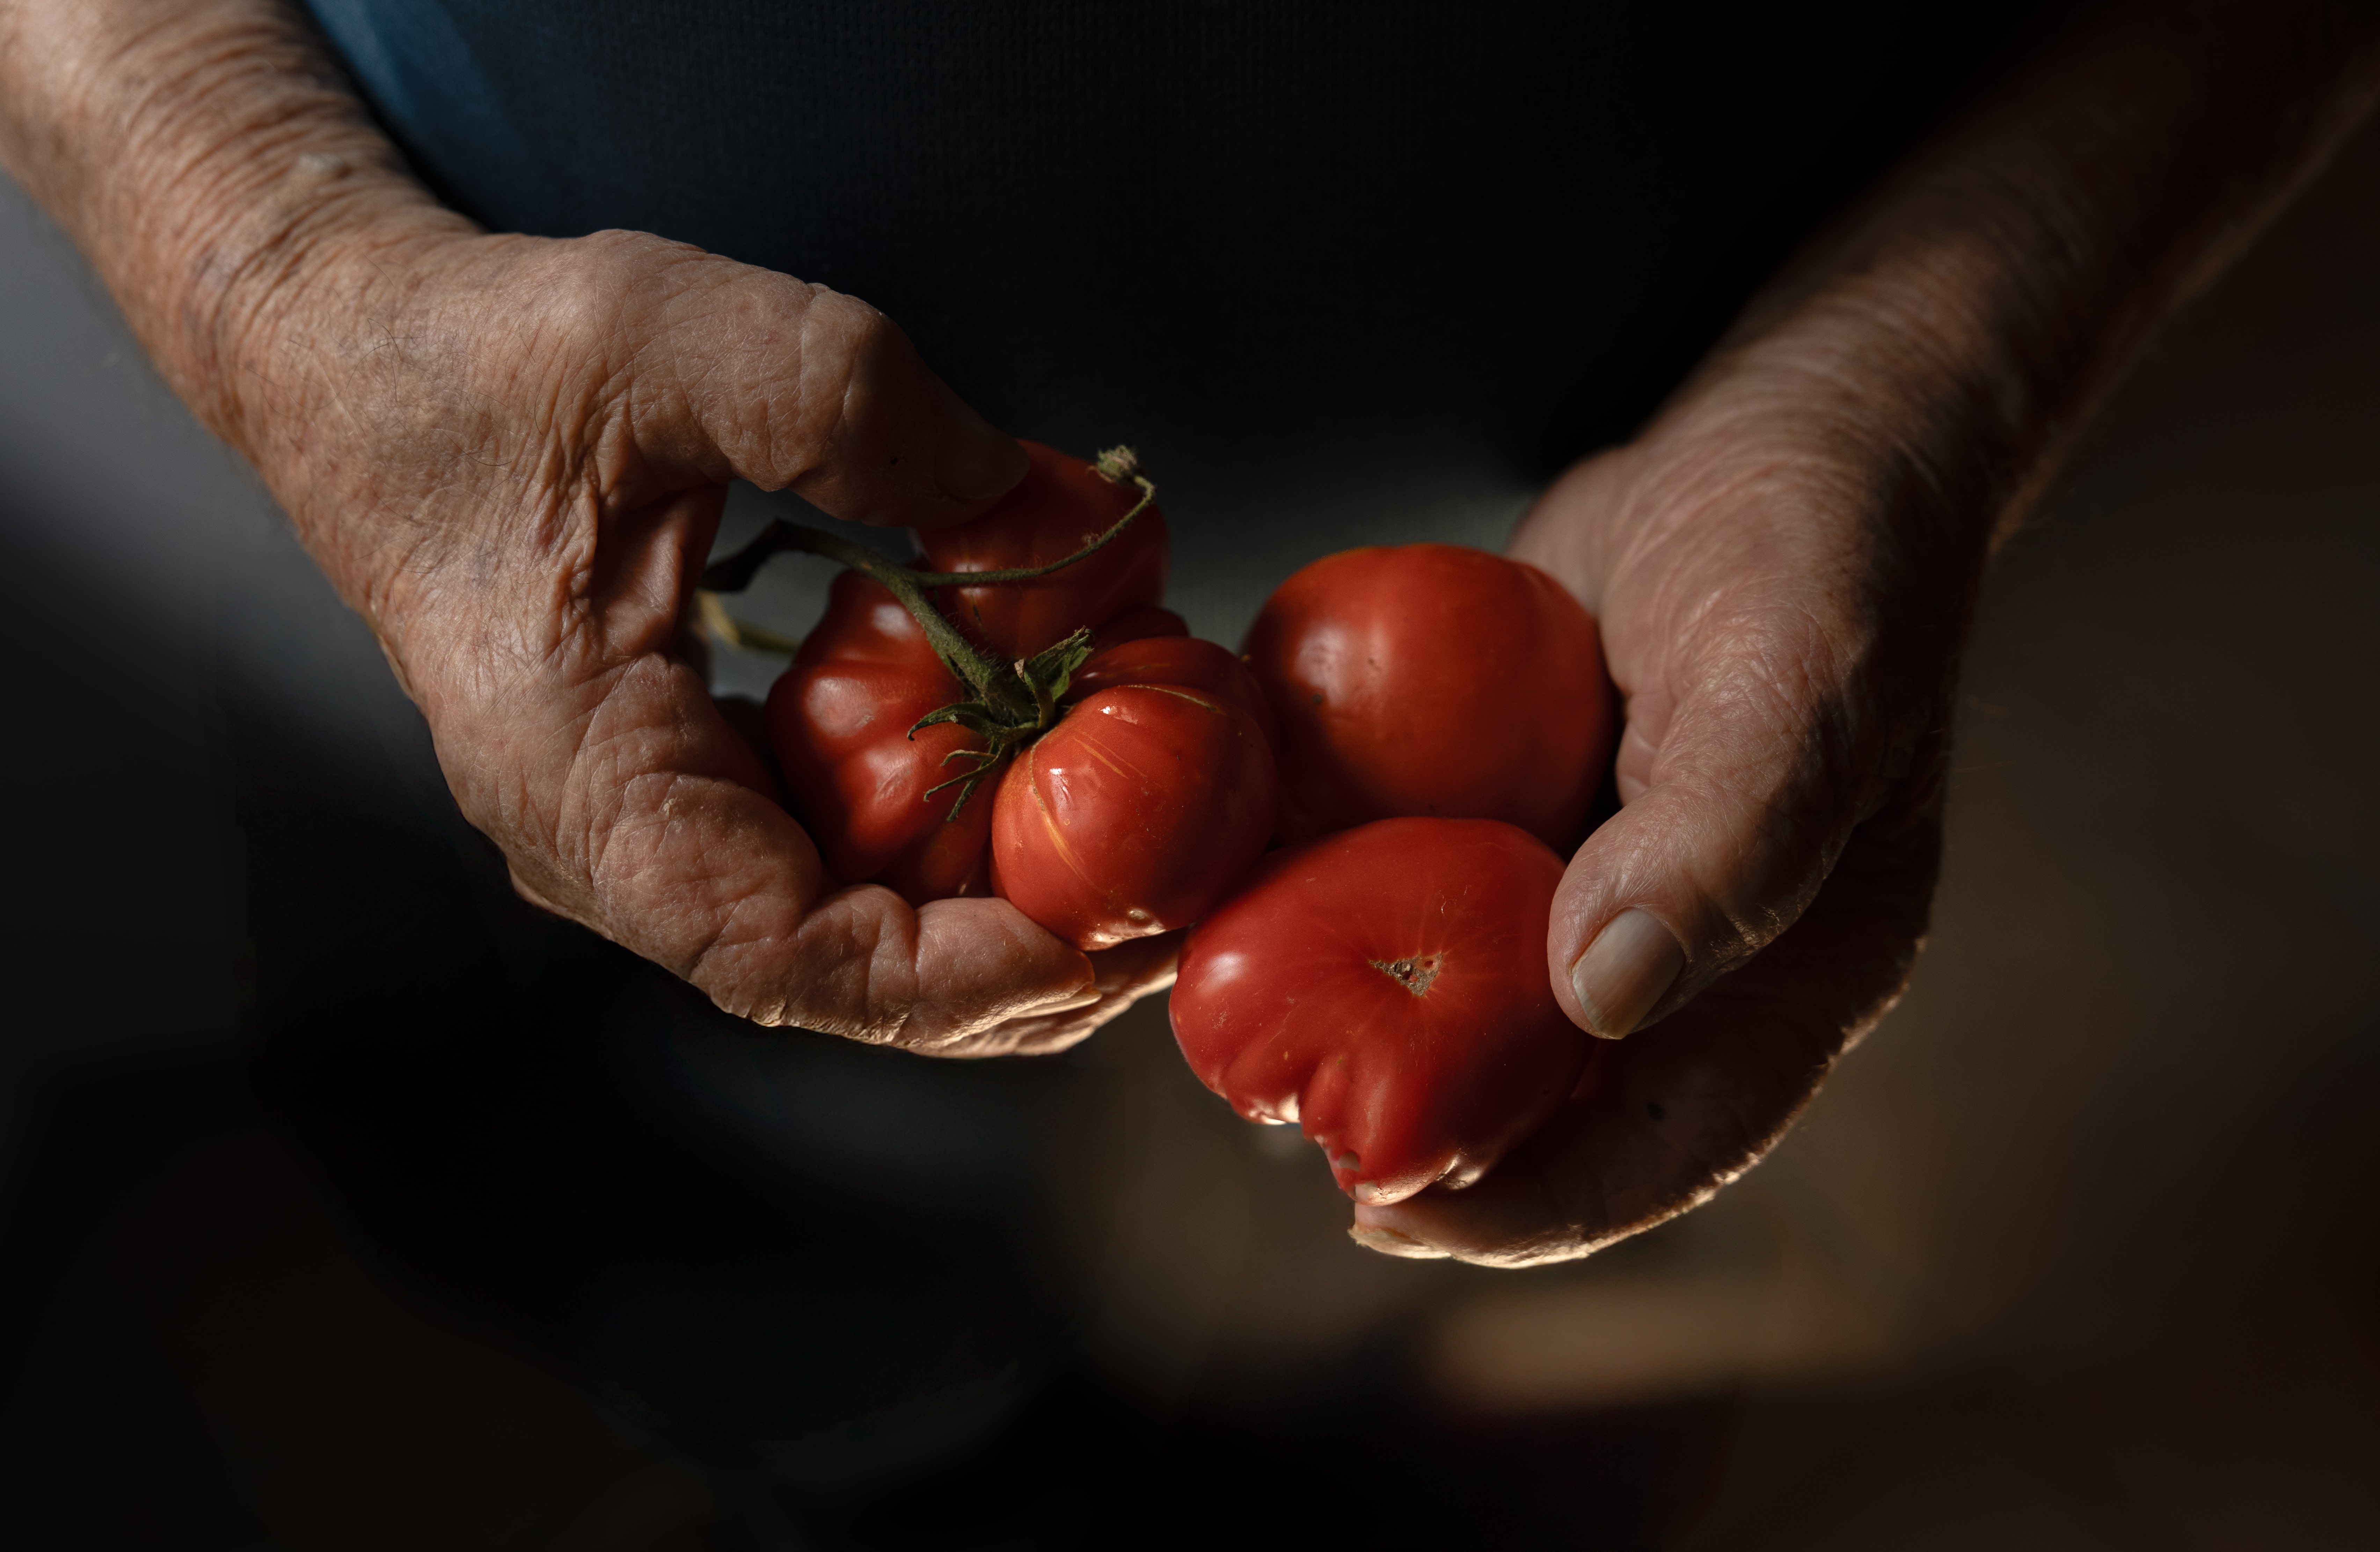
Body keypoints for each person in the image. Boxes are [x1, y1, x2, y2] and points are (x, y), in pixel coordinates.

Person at [2, 0, 2373, 1290]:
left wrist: (1911, 369)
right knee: (655, 1252)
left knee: (1480, 1369)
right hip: (494, 533)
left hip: (1648, 535)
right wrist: (272, 272)